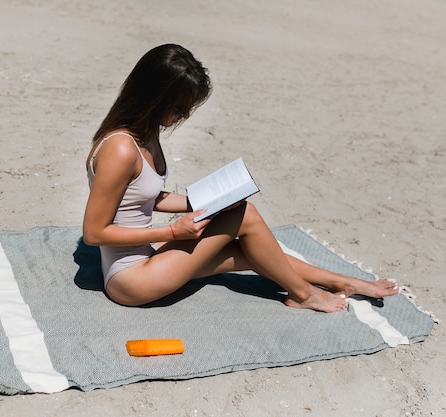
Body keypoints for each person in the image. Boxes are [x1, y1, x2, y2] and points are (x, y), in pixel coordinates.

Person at [83, 44, 398, 312]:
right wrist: (176, 232)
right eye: (179, 108)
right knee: (245, 215)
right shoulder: (121, 149)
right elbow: (94, 233)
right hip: (130, 280)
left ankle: (339, 281)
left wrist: (200, 201)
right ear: (156, 97)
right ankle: (304, 295)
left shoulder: (146, 134)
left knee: (247, 250)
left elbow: (142, 196)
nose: (184, 116)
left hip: (148, 259)